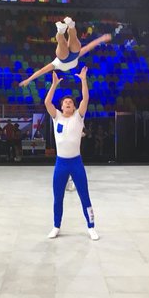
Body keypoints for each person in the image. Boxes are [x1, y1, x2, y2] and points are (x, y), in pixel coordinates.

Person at [44, 66, 99, 240]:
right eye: (65, 102)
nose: (68, 103)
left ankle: (91, 227)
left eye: (70, 102)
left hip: (76, 163)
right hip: (61, 163)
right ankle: (56, 226)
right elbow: (47, 103)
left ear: (74, 107)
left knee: (84, 195)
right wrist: (54, 85)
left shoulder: (78, 117)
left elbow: (86, 98)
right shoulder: (57, 117)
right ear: (61, 107)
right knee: (58, 197)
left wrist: (83, 80)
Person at [19, 17, 111, 86]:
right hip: (68, 56)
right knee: (65, 41)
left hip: (67, 57)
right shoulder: (56, 64)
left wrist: (102, 39)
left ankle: (68, 27)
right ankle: (63, 29)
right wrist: (101, 39)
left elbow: (88, 47)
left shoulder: (56, 64)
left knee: (66, 41)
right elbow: (41, 71)